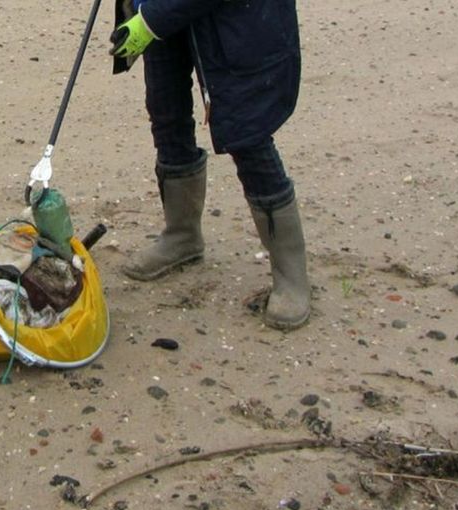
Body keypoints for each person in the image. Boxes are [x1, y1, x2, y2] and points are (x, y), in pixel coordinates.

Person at [109, 0, 310, 330]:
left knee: (246, 133)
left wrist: (150, 22)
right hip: (159, 12)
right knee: (166, 112)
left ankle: (291, 275)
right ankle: (182, 235)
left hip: (234, 21)